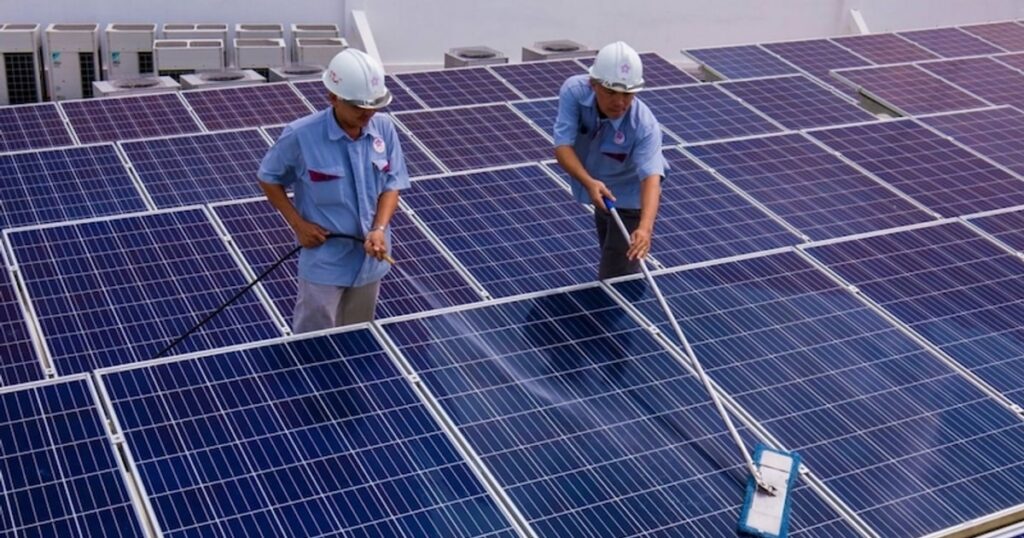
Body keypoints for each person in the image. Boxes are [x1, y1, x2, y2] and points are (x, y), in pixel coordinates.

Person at [258, 48, 409, 332]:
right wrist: (298, 225)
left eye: (374, 106)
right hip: (325, 263)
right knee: (315, 342)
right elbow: (268, 178)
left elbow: (392, 184)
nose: (368, 113)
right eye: (358, 107)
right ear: (333, 97)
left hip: (370, 261)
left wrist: (379, 229)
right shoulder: (301, 135)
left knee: (357, 337)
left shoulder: (385, 129)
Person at [553, 41, 668, 279]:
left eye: (627, 94)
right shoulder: (574, 91)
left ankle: (620, 297)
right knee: (609, 252)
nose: (619, 102)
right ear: (593, 84)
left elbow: (651, 178)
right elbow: (562, 146)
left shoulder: (644, 126)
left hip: (631, 199)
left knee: (616, 274)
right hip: (600, 189)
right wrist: (589, 182)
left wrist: (644, 229)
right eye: (610, 92)